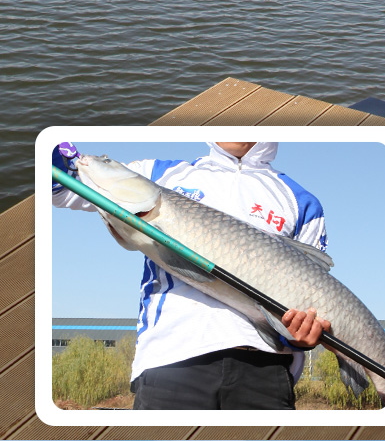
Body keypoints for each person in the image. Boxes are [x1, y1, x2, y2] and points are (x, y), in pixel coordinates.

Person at [52, 139, 331, 410]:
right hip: (172, 360)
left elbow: (312, 300)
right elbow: (62, 189)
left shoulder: (303, 202)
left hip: (266, 370)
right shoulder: (160, 173)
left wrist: (300, 335)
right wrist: (52, 155)